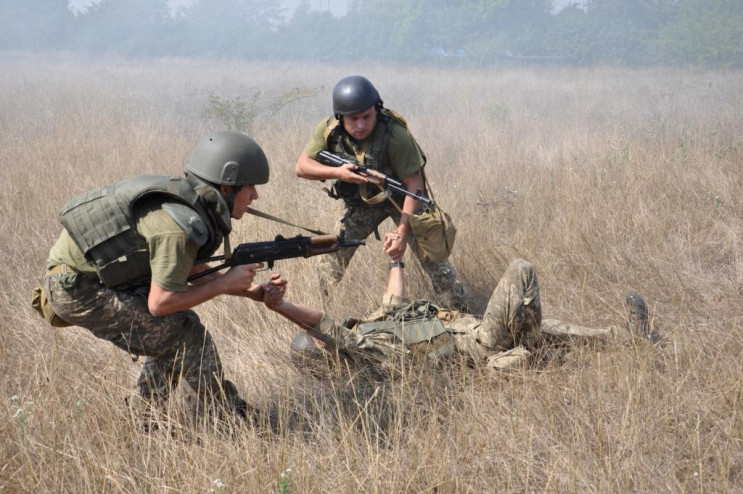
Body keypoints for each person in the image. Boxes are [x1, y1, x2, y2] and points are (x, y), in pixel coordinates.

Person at [38, 131, 282, 424]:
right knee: (187, 335)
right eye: (251, 187)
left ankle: (145, 418)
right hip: (78, 290)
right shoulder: (178, 226)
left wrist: (254, 290)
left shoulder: (188, 206)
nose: (255, 196)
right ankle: (235, 418)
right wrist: (223, 284)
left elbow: (188, 270)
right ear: (227, 187)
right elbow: (160, 303)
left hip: (88, 280)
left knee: (172, 331)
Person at [261, 231, 655, 377]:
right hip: (479, 343)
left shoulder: (370, 328)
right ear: (329, 354)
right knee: (521, 270)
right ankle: (527, 343)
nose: (324, 334)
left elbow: (394, 300)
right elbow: (323, 324)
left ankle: (627, 339)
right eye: (318, 340)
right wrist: (280, 306)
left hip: (475, 329)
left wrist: (395, 258)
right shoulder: (367, 355)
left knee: (552, 332)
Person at [295, 75, 467, 309]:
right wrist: (339, 173)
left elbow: (415, 185)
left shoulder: (395, 134)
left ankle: (460, 314)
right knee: (328, 265)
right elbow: (302, 167)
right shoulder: (329, 131)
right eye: (353, 119)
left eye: (366, 116)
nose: (361, 125)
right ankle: (319, 320)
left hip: (402, 200)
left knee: (439, 267)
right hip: (363, 205)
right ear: (340, 117)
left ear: (376, 110)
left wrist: (402, 232)